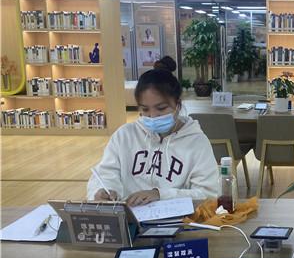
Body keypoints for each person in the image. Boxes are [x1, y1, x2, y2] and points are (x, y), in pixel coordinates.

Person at [87, 57, 219, 205]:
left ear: (178, 105)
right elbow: (104, 175)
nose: (153, 116)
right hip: (129, 215)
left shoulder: (196, 142)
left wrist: (161, 195)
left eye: (161, 108)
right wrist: (103, 191)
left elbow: (209, 194)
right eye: (145, 109)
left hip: (178, 218)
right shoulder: (124, 136)